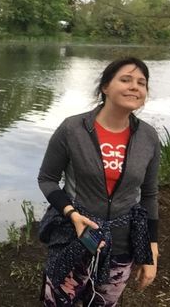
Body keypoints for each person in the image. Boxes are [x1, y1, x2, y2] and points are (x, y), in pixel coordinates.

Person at [38, 57, 160, 307]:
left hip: (122, 243)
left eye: (141, 82)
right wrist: (71, 213)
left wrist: (152, 249)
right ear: (105, 86)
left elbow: (149, 194)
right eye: (125, 79)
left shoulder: (148, 136)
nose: (134, 87)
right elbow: (47, 179)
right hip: (74, 236)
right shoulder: (73, 129)